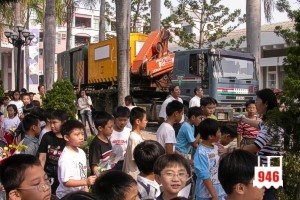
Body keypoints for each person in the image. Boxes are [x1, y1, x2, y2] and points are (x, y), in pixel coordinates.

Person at [241, 88, 283, 200]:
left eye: (257, 100)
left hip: (267, 167)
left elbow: (255, 147)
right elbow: (260, 125)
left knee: (265, 195)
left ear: (266, 103)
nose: (255, 103)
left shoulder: (270, 124)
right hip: (273, 165)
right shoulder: (272, 120)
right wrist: (244, 120)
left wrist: (235, 150)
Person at [56, 120, 96, 199]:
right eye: (77, 135)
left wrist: (85, 188)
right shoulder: (66, 158)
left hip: (78, 194)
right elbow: (67, 182)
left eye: (82, 134)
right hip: (67, 196)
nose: (81, 137)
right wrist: (86, 182)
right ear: (66, 137)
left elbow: (83, 174)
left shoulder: (81, 152)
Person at [194, 118, 226, 200]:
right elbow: (204, 175)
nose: (220, 133)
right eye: (218, 132)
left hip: (218, 191)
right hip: (206, 194)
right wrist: (214, 196)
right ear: (211, 136)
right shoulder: (201, 152)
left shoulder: (215, 147)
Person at [38, 110, 69, 195]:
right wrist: (41, 176)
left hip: (64, 175)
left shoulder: (69, 138)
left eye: (55, 123)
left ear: (64, 123)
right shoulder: (46, 136)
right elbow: (42, 158)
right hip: (49, 174)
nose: (52, 126)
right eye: (50, 123)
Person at [123, 107, 147, 179]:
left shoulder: (137, 136)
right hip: (133, 175)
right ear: (138, 121)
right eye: (145, 120)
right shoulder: (134, 138)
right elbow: (137, 158)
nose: (146, 122)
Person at [110, 106, 131, 170]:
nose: (122, 123)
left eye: (125, 120)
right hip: (111, 163)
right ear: (114, 119)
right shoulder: (109, 132)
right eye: (120, 120)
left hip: (125, 162)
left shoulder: (129, 131)